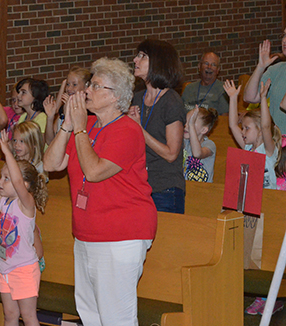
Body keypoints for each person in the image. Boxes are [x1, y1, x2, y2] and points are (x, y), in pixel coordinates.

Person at [44, 57, 157, 326]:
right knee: (90, 314)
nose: (86, 91)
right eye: (90, 85)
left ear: (115, 96)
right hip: (87, 232)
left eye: (95, 86)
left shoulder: (127, 130)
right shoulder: (89, 126)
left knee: (116, 317)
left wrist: (80, 127)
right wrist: (68, 125)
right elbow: (51, 164)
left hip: (121, 234)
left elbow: (93, 172)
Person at [0, 130, 47, 326]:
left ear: (26, 184)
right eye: (1, 177)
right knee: (10, 316)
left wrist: (7, 152)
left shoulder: (26, 204)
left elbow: (17, 181)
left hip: (24, 269)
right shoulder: (3, 201)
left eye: (5, 178)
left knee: (29, 317)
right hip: (6, 268)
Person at [225, 79, 284, 315]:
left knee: (266, 253)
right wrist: (232, 98)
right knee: (251, 252)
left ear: (259, 131)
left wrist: (262, 100)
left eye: (247, 128)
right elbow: (231, 125)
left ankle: (268, 296)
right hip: (252, 205)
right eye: (244, 128)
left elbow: (268, 126)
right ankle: (262, 294)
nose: (242, 132)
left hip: (272, 206)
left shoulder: (268, 150)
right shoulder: (247, 149)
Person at [130, 39, 186, 214]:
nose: (135, 60)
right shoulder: (137, 98)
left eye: (142, 56)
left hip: (165, 189)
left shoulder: (171, 101)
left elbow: (171, 154)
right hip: (139, 187)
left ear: (158, 63)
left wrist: (139, 129)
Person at [244, 30, 286, 132]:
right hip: (275, 143)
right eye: (284, 35)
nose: (284, 40)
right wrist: (260, 67)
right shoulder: (276, 69)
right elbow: (250, 97)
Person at [44, 66, 91, 145]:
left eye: (74, 84)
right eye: (68, 84)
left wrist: (68, 113)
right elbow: (50, 141)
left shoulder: (87, 111)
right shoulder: (63, 107)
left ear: (86, 87)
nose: (69, 88)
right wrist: (50, 117)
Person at [183, 106, 218, 182]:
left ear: (204, 130)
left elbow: (197, 154)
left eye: (191, 122)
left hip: (202, 190)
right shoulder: (184, 142)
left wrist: (191, 126)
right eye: (185, 122)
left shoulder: (209, 145)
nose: (186, 125)